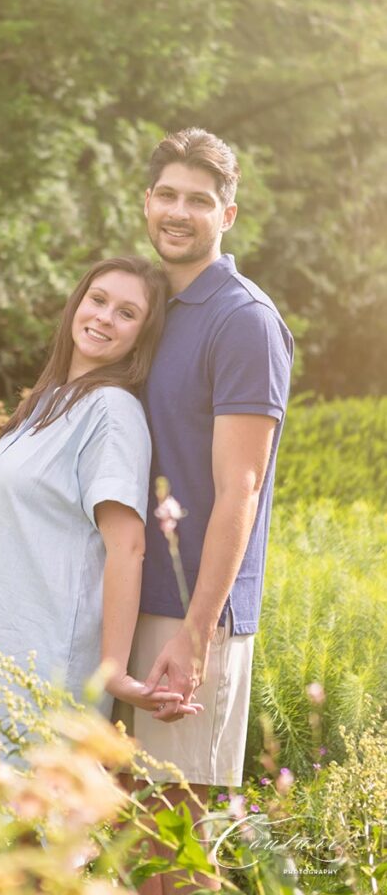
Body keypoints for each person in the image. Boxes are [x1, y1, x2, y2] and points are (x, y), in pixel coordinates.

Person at [0, 256, 201, 839]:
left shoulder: (111, 412)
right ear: (77, 302)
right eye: (99, 299)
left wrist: (109, 670)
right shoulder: (48, 400)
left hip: (46, 669)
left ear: (141, 336)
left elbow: (127, 546)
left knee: (19, 852)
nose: (105, 317)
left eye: (127, 313)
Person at [117, 128, 294, 894]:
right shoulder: (156, 307)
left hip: (190, 617)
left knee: (174, 846)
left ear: (227, 214)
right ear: (145, 204)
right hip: (128, 604)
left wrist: (193, 637)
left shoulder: (242, 320)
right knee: (129, 834)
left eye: (198, 199)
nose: (178, 212)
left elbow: (240, 494)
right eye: (167, 196)